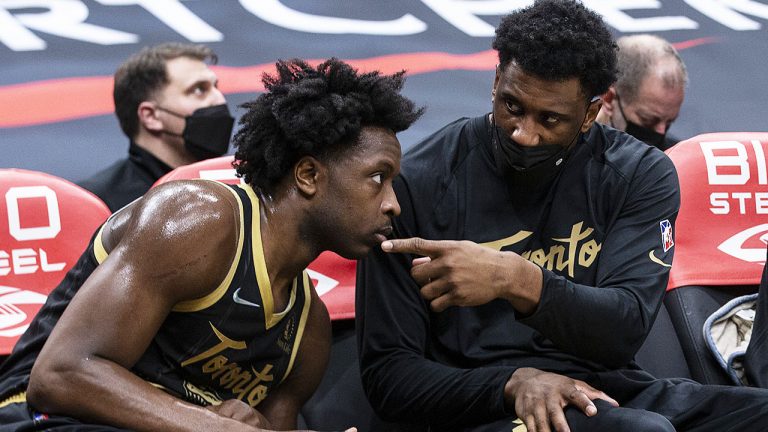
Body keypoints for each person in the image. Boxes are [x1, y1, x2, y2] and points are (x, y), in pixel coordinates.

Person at [356, 1, 768, 431]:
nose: (524, 133)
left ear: (591, 113)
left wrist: (516, 280)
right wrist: (512, 383)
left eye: (550, 119)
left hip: (611, 388)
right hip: (488, 403)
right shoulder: (417, 183)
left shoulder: (637, 174)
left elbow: (623, 330)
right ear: (496, 82)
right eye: (512, 106)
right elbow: (389, 377)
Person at [0, 58, 422, 431]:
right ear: (308, 175)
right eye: (377, 178)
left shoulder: (308, 330)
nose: (393, 204)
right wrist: (211, 424)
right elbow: (61, 375)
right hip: (37, 415)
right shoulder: (198, 219)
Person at [78, 42, 235, 212]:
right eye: (199, 90)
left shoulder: (241, 185)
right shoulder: (98, 205)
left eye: (216, 87)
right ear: (150, 116)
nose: (220, 100)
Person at [594, 34, 688, 151]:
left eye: (669, 122)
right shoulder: (572, 152)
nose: (661, 132)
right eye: (647, 120)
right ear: (609, 98)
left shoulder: (675, 157)